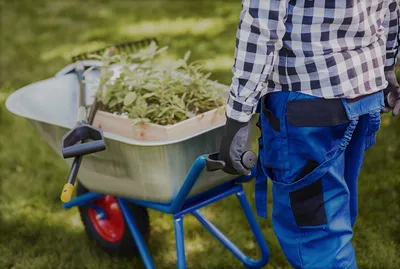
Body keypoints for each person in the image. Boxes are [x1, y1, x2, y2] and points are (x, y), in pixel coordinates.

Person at [219, 0, 400, 268]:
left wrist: (238, 114)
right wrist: (386, 68)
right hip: (363, 92)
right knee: (331, 217)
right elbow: (392, 8)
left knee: (317, 237)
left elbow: (261, 26)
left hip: (307, 105)